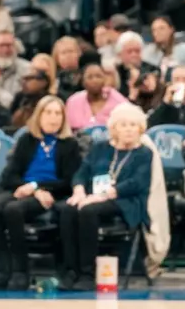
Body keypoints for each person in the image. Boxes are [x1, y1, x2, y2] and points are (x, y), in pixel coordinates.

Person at [0, 96, 81, 292]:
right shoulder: (26, 140)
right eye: (48, 112)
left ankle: (21, 272)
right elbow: (10, 176)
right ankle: (3, 271)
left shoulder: (69, 145)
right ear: (39, 116)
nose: (53, 118)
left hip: (50, 194)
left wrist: (37, 187)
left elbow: (68, 182)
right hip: (23, 190)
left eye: (58, 113)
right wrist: (31, 188)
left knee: (13, 210)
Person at [58, 103, 153, 290]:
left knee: (87, 211)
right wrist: (78, 190)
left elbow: (137, 183)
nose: (128, 129)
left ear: (140, 129)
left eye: (133, 125)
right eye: (123, 125)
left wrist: (102, 196)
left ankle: (87, 273)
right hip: (92, 198)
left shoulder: (144, 153)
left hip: (126, 202)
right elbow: (82, 172)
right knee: (68, 209)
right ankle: (70, 271)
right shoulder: (100, 148)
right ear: (114, 128)